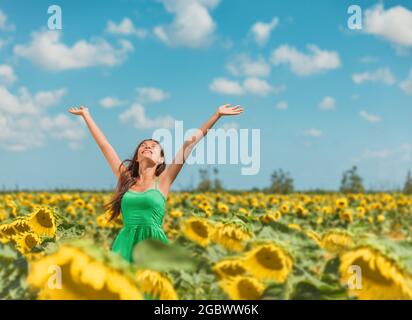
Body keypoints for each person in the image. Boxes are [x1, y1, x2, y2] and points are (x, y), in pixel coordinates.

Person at [68, 104, 244, 262]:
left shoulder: (164, 181)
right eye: (143, 145)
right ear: (137, 157)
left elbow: (189, 144)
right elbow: (105, 145)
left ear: (161, 159)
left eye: (153, 145)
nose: (148, 146)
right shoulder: (126, 179)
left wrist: (217, 115)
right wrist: (86, 115)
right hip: (125, 245)